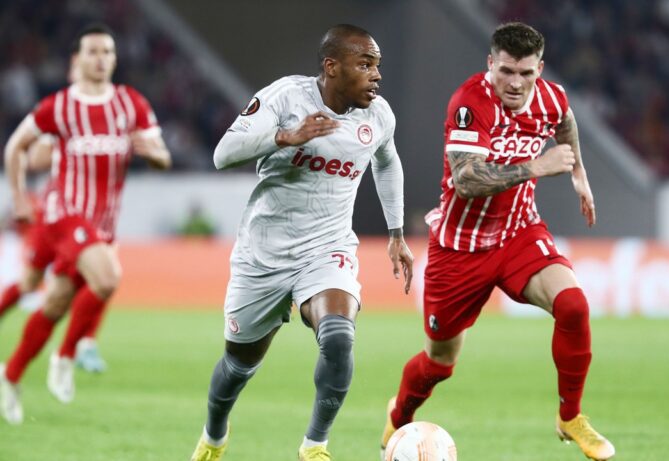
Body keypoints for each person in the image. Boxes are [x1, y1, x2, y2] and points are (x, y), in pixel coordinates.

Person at [380, 22, 615, 461]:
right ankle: (400, 415)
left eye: (526, 73)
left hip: (518, 232)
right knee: (439, 363)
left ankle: (570, 416)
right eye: (506, 71)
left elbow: (565, 120)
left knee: (573, 305)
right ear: (490, 64)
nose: (515, 83)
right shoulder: (470, 103)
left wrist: (579, 171)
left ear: (539, 69)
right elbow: (466, 180)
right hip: (460, 247)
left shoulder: (551, 97)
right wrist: (536, 167)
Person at [190, 24, 413, 461]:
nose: (377, 75)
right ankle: (214, 436)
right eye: (366, 64)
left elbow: (387, 162)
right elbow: (222, 154)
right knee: (237, 366)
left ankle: (315, 446)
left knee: (338, 337)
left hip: (327, 248)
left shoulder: (378, 116)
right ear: (332, 67)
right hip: (263, 253)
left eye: (378, 65)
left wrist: (396, 232)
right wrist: (283, 137)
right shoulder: (285, 98)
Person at [0, 23, 171, 425]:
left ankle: (11, 375)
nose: (100, 59)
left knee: (55, 302)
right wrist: (19, 197)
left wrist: (154, 155)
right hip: (62, 214)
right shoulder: (59, 107)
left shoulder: (131, 104)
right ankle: (66, 356)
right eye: (92, 52)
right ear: (77, 59)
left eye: (107, 52)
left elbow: (162, 156)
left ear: (115, 58)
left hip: (101, 225)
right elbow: (17, 147)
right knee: (107, 277)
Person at [0, 132, 108, 375]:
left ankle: (84, 344)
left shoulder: (109, 129)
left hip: (88, 219)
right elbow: (35, 158)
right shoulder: (64, 123)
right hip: (56, 218)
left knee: (102, 277)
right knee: (30, 283)